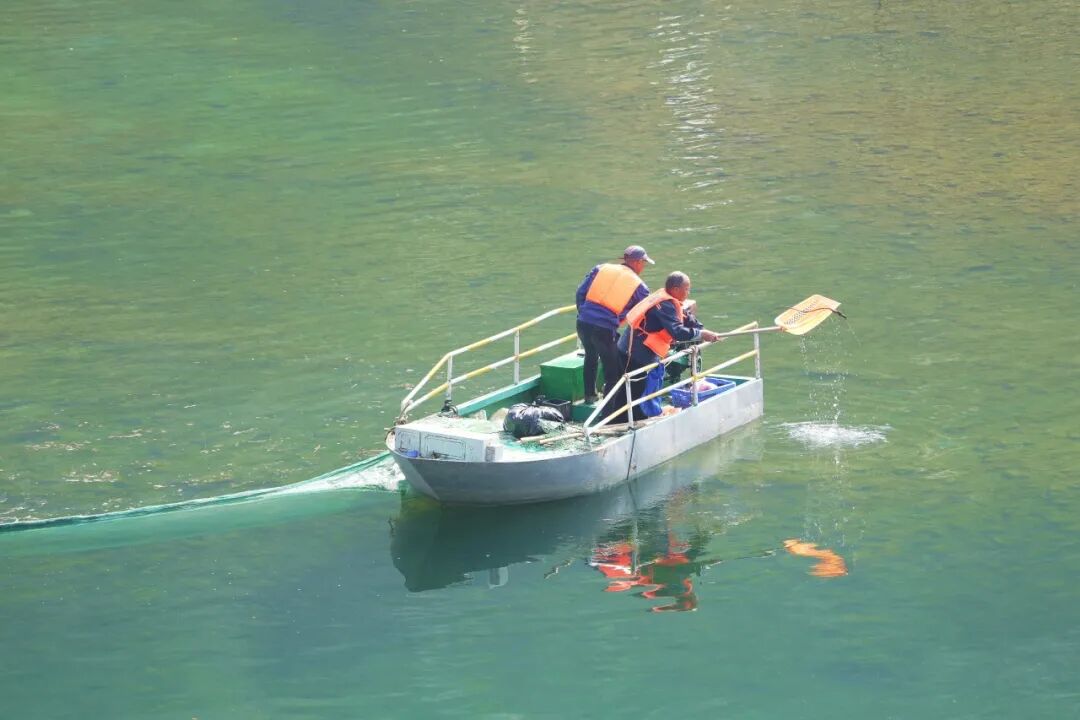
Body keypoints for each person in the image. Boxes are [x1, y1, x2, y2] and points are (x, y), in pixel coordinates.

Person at [617, 271, 721, 419]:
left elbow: (685, 318)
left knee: (639, 387)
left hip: (642, 349)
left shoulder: (669, 299)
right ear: (676, 289)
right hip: (634, 352)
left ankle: (637, 415)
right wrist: (701, 334)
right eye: (687, 289)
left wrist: (703, 330)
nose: (688, 293)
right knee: (635, 390)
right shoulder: (664, 305)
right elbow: (677, 332)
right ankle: (631, 420)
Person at [575, 246, 654, 403]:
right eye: (643, 263)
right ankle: (609, 410)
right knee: (613, 373)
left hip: (583, 323)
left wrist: (583, 313)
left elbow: (580, 293)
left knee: (590, 356)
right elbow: (642, 313)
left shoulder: (600, 269)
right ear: (637, 262)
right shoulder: (640, 287)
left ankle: (590, 396)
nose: (643, 267)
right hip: (604, 330)